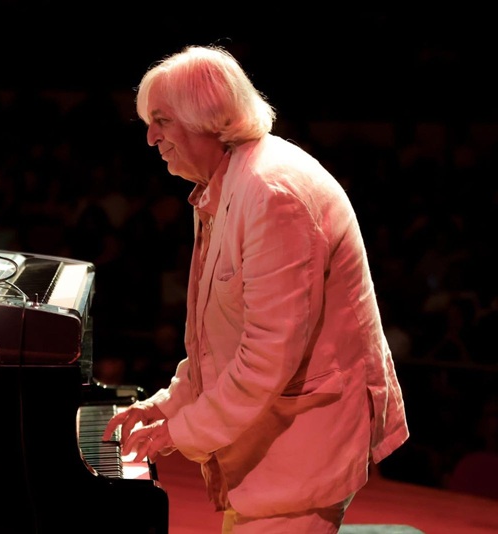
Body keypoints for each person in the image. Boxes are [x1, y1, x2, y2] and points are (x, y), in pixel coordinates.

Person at [102, 44, 409, 533]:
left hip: (304, 449)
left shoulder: (271, 193)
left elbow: (266, 356)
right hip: (282, 441)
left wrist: (177, 432)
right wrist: (167, 404)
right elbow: (220, 342)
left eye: (161, 121)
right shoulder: (229, 183)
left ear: (207, 118)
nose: (151, 137)